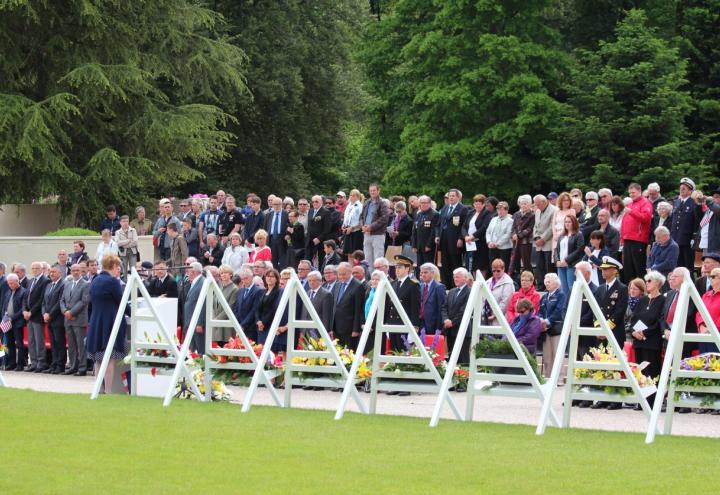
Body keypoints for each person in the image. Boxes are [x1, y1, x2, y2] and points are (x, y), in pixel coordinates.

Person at [86, 255, 127, 393]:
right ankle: (108, 390)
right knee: (109, 357)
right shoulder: (113, 282)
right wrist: (134, 311)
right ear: (114, 266)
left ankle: (99, 388)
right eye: (118, 268)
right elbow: (121, 302)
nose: (119, 271)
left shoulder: (95, 280)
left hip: (96, 321)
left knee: (98, 357)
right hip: (109, 322)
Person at [630, 270, 666, 407]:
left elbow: (659, 321)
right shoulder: (643, 300)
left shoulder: (663, 300)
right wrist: (634, 331)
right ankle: (642, 401)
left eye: (649, 281)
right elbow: (634, 319)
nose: (647, 283)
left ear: (658, 283)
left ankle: (654, 401)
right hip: (638, 341)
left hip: (651, 341)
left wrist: (645, 332)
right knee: (641, 371)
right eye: (646, 281)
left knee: (652, 371)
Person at [385, 255, 420, 353]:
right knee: (393, 353)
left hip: (405, 325)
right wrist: (387, 323)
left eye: (400, 267)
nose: (397, 270)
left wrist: (414, 328)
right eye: (396, 267)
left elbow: (415, 308)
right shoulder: (393, 284)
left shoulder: (413, 285)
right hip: (392, 324)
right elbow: (389, 306)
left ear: (407, 268)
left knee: (404, 354)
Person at [60, 264, 90, 376]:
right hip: (68, 319)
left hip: (79, 318)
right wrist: (65, 312)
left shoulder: (86, 284)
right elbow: (61, 300)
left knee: (80, 345)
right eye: (73, 270)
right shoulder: (67, 284)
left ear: (81, 271)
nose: (75, 272)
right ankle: (73, 366)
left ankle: (82, 368)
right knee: (71, 345)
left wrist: (71, 312)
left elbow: (84, 301)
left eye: (77, 270)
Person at [621, 183, 653, 282]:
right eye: (630, 193)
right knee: (628, 267)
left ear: (639, 191)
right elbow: (624, 224)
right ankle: (631, 290)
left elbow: (646, 218)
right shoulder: (630, 204)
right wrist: (622, 239)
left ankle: (642, 290)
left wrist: (631, 212)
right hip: (628, 239)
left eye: (633, 192)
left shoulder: (645, 203)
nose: (631, 195)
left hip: (638, 239)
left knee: (638, 267)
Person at [435, 189, 468, 286]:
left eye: (453, 196)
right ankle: (447, 284)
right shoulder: (445, 208)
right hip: (443, 240)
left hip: (455, 240)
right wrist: (437, 235)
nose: (451, 198)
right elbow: (438, 224)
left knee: (455, 263)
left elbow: (464, 225)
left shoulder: (463, 209)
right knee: (445, 264)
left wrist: (461, 238)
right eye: (450, 196)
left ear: (458, 197)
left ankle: (456, 285)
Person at [22, 261, 50, 372]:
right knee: (31, 341)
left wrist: (31, 312)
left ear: (42, 269)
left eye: (37, 268)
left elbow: (41, 300)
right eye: (33, 268)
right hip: (28, 316)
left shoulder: (45, 281)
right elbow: (25, 297)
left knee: (39, 340)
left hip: (37, 315)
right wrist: (24, 310)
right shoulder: (30, 281)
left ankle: (41, 362)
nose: (34, 270)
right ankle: (33, 362)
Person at [670, 178, 702, 271]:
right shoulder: (677, 202)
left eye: (684, 188)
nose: (681, 190)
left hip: (687, 240)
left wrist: (694, 237)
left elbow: (698, 221)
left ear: (691, 190)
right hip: (675, 239)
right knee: (677, 267)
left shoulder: (694, 202)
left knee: (688, 268)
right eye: (681, 188)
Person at [442, 267, 472, 365]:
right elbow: (444, 307)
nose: (455, 279)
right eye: (454, 277)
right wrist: (446, 319)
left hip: (462, 330)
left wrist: (452, 322)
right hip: (450, 331)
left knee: (463, 359)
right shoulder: (451, 291)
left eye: (458, 277)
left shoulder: (470, 291)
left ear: (465, 278)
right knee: (452, 358)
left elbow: (464, 311)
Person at [538, 273, 565, 377]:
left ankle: (559, 378)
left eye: (549, 282)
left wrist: (547, 321)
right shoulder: (544, 297)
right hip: (545, 330)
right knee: (547, 356)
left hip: (556, 329)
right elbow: (540, 310)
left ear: (556, 283)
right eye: (546, 282)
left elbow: (559, 311)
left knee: (557, 355)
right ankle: (548, 377)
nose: (546, 284)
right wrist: (540, 321)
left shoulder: (561, 295)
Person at [332, 263, 364, 349]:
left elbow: (359, 309)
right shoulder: (337, 284)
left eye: (344, 274)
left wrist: (356, 329)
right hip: (336, 327)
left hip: (349, 329)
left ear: (350, 272)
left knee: (349, 355)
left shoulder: (358, 286)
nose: (341, 276)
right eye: (339, 274)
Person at [41, 265, 65, 374]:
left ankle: (60, 365)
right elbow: (44, 302)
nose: (51, 274)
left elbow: (59, 302)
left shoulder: (62, 285)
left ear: (60, 273)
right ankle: (54, 364)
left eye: (54, 272)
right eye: (50, 272)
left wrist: (50, 314)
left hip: (57, 319)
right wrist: (44, 313)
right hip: (48, 319)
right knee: (53, 343)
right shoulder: (49, 285)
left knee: (59, 343)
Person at [1, 274, 27, 371]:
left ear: (17, 281)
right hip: (7, 322)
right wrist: (5, 317)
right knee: (9, 344)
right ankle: (11, 363)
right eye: (9, 283)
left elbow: (22, 309)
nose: (10, 285)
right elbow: (4, 306)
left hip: (18, 322)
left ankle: (20, 364)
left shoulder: (23, 292)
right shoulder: (8, 292)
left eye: (12, 283)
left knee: (19, 344)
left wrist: (13, 318)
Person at [462, 194, 492, 277]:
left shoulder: (487, 214)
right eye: (475, 203)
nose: (477, 205)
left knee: (480, 266)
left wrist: (473, 236)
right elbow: (464, 226)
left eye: (479, 203)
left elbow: (484, 227)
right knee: (471, 266)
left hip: (480, 244)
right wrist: (466, 236)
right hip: (470, 244)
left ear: (483, 204)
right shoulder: (471, 213)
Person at [555, 215, 585, 296]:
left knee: (571, 287)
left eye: (569, 222)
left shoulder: (579, 234)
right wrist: (557, 260)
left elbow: (579, 250)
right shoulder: (562, 235)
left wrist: (566, 260)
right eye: (566, 222)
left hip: (571, 265)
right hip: (561, 265)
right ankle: (565, 307)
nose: (567, 224)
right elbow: (556, 250)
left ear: (574, 223)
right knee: (563, 288)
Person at [300, 270, 334, 341]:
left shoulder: (326, 294)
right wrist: (302, 329)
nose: (311, 283)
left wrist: (324, 332)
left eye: (314, 280)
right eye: (309, 280)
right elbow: (304, 312)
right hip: (305, 330)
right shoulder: (307, 293)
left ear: (320, 281)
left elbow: (326, 316)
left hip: (318, 331)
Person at [360, 184, 390, 264]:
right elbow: (361, 216)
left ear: (378, 191)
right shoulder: (367, 203)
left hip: (378, 234)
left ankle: (379, 276)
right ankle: (370, 276)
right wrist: (362, 226)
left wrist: (371, 227)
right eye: (371, 191)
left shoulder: (382, 203)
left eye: (374, 190)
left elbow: (384, 218)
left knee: (378, 259)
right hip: (366, 234)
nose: (372, 192)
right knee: (367, 258)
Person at [233, 268, 264, 343]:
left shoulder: (258, 291)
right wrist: (237, 323)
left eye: (246, 278)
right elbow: (236, 308)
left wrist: (243, 325)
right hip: (239, 325)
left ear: (252, 277)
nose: (244, 281)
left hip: (251, 327)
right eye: (242, 279)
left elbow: (254, 310)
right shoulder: (240, 291)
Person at [533, 194, 557, 289]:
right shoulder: (538, 211)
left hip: (548, 242)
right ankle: (540, 286)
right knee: (539, 266)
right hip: (538, 243)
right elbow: (535, 225)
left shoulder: (554, 210)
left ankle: (550, 286)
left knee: (548, 266)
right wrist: (536, 237)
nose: (537, 206)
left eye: (538, 204)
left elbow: (552, 227)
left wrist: (543, 238)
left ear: (544, 202)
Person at [255, 269, 283, 347]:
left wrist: (263, 323)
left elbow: (273, 309)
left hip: (270, 325)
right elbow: (257, 309)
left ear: (277, 279)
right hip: (260, 326)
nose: (269, 278)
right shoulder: (263, 291)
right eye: (267, 276)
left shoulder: (278, 292)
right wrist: (258, 321)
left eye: (272, 276)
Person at [695, 266, 720, 354]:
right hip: (703, 334)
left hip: (717, 335)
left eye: (713, 276)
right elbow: (699, 312)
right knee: (704, 362)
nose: (710, 278)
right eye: (709, 276)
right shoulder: (706, 295)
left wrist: (711, 329)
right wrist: (701, 326)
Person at [182, 262, 206, 353]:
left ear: (194, 272)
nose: (187, 274)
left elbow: (204, 304)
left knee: (200, 349)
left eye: (188, 272)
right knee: (193, 349)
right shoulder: (195, 282)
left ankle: (201, 366)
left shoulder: (202, 283)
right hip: (191, 321)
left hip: (197, 323)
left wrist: (200, 323)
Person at [412, 195, 440, 271]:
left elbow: (434, 231)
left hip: (428, 246)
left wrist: (429, 245)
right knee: (419, 267)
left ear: (429, 203)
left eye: (425, 203)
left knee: (428, 267)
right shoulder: (419, 214)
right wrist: (414, 245)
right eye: (422, 203)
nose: (423, 204)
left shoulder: (434, 214)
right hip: (419, 246)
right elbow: (414, 230)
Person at [510, 195, 535, 277]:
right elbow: (513, 226)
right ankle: (517, 279)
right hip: (516, 242)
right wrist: (513, 234)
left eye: (525, 203)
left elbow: (530, 229)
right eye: (522, 203)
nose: (523, 205)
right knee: (515, 261)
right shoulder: (516, 214)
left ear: (530, 204)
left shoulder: (532, 215)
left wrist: (519, 235)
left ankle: (531, 280)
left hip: (526, 242)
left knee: (526, 262)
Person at [306, 195, 335, 267]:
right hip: (310, 240)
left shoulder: (326, 212)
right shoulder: (310, 211)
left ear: (321, 202)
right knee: (308, 260)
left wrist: (319, 238)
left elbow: (327, 228)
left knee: (321, 260)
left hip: (321, 241)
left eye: (316, 201)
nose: (314, 203)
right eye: (313, 202)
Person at [418, 263, 446, 334]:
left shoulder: (439, 287)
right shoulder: (419, 286)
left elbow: (441, 307)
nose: (423, 275)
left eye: (425, 272)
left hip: (432, 325)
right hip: (419, 323)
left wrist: (439, 328)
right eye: (421, 272)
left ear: (432, 273)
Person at [213, 265, 239, 343]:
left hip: (226, 325)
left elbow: (230, 307)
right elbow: (213, 305)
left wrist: (217, 319)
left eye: (226, 273)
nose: (223, 275)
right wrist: (214, 319)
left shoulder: (234, 289)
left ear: (231, 274)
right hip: (216, 324)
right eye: (222, 273)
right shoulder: (219, 288)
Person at [484, 258, 514, 325]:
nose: (495, 273)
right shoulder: (488, 282)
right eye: (494, 271)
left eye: (498, 271)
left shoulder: (508, 282)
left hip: (501, 316)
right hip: (487, 314)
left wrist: (495, 314)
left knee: (497, 334)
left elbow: (505, 302)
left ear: (503, 269)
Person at [263, 196, 289, 269]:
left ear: (282, 205)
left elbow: (290, 226)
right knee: (272, 261)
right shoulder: (268, 215)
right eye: (275, 204)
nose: (276, 206)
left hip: (282, 240)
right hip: (271, 240)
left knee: (283, 261)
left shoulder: (286, 214)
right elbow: (264, 228)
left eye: (278, 204)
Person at [486, 201, 513, 269]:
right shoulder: (494, 219)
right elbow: (488, 231)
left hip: (504, 248)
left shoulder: (510, 221)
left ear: (506, 210)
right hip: (492, 247)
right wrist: (489, 242)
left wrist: (497, 244)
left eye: (502, 209)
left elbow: (508, 234)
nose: (500, 211)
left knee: (503, 267)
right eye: (498, 209)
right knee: (493, 266)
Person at [623, 278, 646, 344]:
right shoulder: (625, 302)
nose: (632, 291)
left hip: (639, 336)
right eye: (631, 288)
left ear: (641, 291)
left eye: (635, 289)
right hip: (625, 335)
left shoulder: (645, 302)